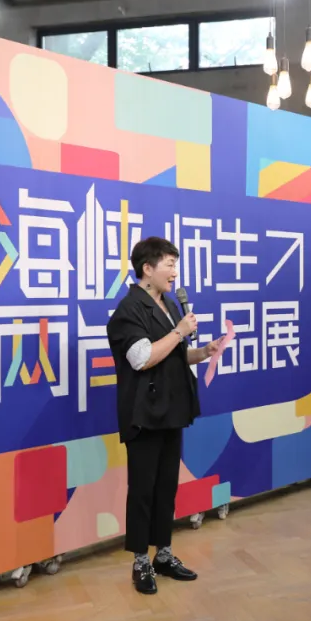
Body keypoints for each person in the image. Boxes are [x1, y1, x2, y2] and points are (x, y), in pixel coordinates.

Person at [107, 237, 225, 595]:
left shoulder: (171, 304)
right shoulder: (129, 310)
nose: (175, 272)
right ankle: (140, 561)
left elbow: (174, 353)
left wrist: (202, 352)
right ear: (147, 268)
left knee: (166, 486)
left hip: (172, 409)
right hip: (144, 413)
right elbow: (142, 358)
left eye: (176, 264)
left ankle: (163, 553)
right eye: (169, 264)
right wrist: (179, 332)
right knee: (143, 489)